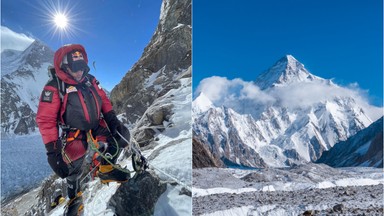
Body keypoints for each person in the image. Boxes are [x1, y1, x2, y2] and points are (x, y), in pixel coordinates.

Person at [36, 44, 131, 216]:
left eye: (82, 67)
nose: (80, 72)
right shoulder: (54, 86)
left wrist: (113, 121)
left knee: (120, 138)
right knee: (72, 164)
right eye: (75, 68)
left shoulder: (90, 80)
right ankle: (74, 197)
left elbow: (104, 101)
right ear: (64, 67)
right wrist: (52, 151)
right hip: (73, 132)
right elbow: (46, 119)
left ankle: (106, 168)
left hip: (97, 124)